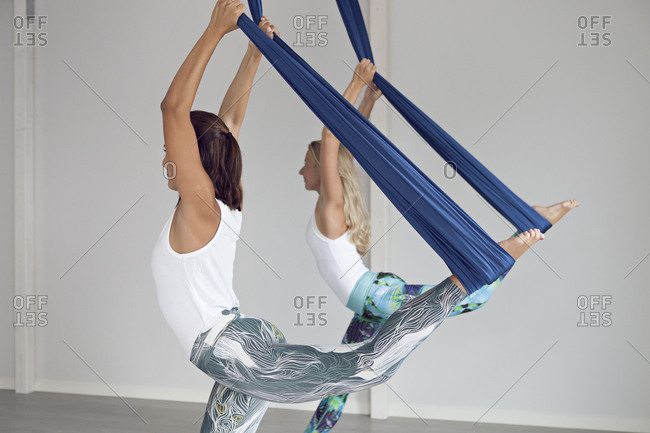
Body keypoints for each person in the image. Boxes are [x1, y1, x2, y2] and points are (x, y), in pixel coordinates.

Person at [151, 2, 547, 432]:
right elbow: (228, 122)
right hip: (238, 342)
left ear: (190, 160)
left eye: (171, 151)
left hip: (235, 350)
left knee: (367, 365)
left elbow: (173, 108)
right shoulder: (221, 199)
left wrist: (215, 30)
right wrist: (253, 53)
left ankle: (470, 277)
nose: (166, 157)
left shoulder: (202, 203)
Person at [298, 59, 580, 433]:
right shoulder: (332, 198)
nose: (301, 171)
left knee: (469, 294)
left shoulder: (329, 205)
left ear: (321, 168)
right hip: (367, 302)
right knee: (340, 381)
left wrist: (355, 83)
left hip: (375, 297)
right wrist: (367, 99)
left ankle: (511, 246)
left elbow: (334, 139)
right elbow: (346, 151)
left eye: (306, 164)